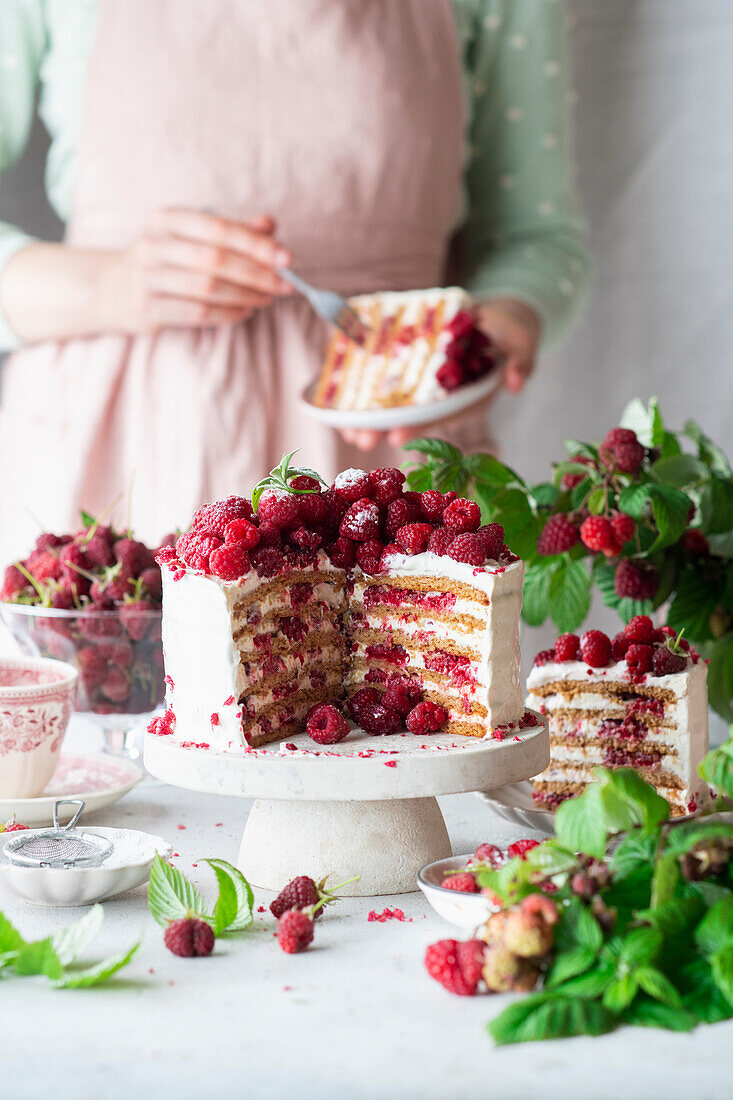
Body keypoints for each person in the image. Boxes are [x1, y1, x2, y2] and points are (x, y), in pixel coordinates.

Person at [0, 0, 588, 559]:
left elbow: (536, 238)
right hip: (111, 467)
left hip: (381, 474)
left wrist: (502, 323)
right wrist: (115, 285)